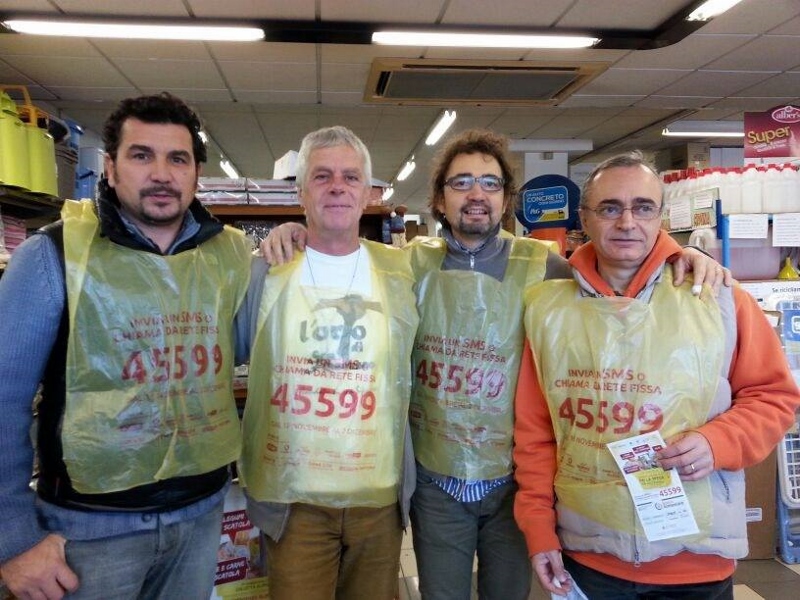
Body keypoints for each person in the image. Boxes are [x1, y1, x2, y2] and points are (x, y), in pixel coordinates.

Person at [261, 130, 729, 600]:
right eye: (461, 182)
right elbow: (344, 256)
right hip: (435, 480)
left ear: (506, 199)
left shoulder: (546, 267)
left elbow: (612, 276)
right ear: (439, 199)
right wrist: (294, 233)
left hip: (515, 482)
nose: (476, 194)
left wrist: (680, 255)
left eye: (490, 183)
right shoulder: (407, 265)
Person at [513, 151, 800, 599]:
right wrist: (538, 528)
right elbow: (536, 433)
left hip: (695, 557)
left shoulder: (718, 298)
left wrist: (717, 442)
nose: (627, 222)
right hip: (590, 553)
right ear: (584, 218)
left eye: (643, 207)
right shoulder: (550, 312)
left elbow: (774, 397)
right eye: (610, 208)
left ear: (661, 216)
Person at [0, 92, 252, 600]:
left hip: (200, 518)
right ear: (111, 169)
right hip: (89, 533)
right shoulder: (53, 256)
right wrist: (13, 538)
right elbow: (2, 398)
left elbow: (245, 351)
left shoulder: (227, 257)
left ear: (196, 174)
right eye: (142, 155)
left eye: (177, 159)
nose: (161, 173)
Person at [234, 125, 419, 600]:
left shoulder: (401, 273)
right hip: (294, 501)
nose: (337, 186)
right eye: (322, 176)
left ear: (368, 193)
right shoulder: (265, 272)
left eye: (350, 177)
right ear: (301, 192)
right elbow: (223, 355)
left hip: (377, 498)